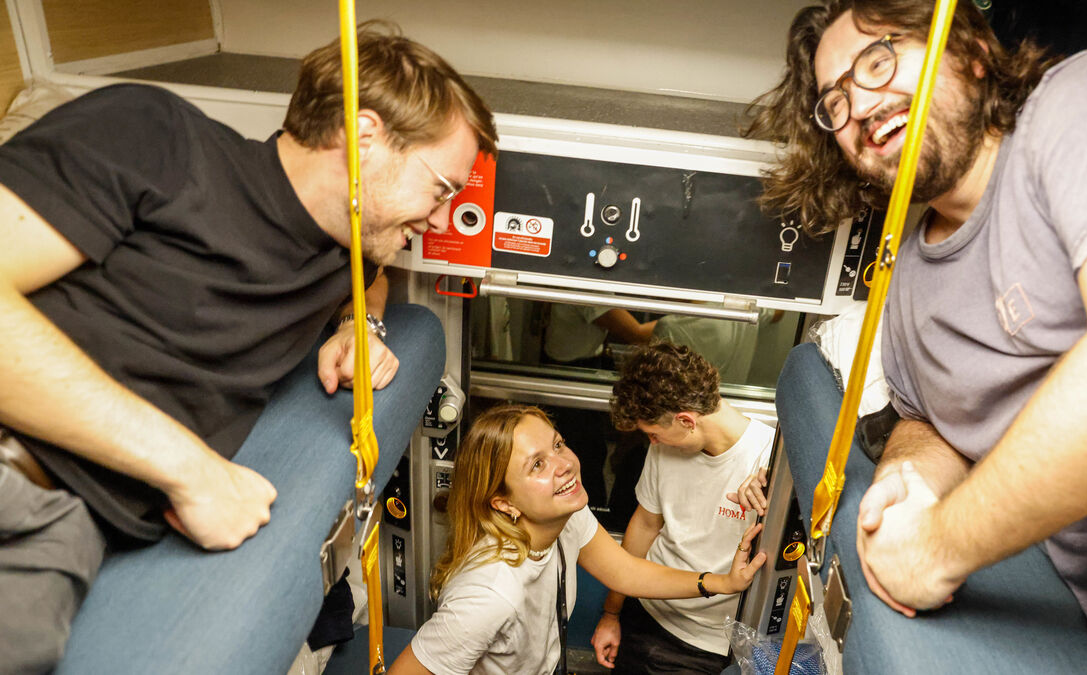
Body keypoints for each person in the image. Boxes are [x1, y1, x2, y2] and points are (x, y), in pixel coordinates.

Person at [0, 22, 498, 673]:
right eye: (442, 189)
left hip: (68, 525)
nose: (440, 219)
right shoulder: (154, 134)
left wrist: (361, 325)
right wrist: (189, 467)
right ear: (366, 138)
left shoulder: (338, 256)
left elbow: (371, 283)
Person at [748, 1, 1087, 673]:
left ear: (970, 53)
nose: (860, 104)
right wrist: (908, 475)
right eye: (834, 103)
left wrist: (936, 546)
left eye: (879, 60)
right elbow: (927, 417)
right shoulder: (904, 287)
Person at [388, 404, 766, 675]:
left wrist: (721, 583)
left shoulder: (564, 515)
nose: (564, 463)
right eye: (537, 464)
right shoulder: (487, 594)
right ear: (503, 502)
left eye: (557, 445)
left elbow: (624, 572)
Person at [589, 343, 774, 674]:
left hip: (707, 644)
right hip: (644, 612)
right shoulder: (665, 449)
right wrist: (612, 612)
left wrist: (776, 502)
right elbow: (646, 525)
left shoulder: (770, 463)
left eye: (655, 434)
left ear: (686, 420)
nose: (653, 443)